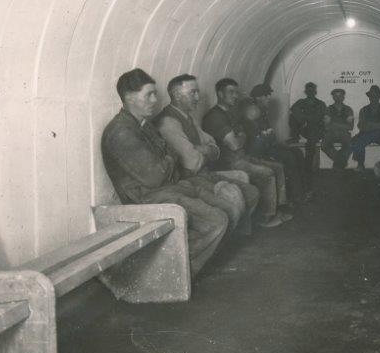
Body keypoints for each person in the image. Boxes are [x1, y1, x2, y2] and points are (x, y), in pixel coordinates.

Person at [100, 69, 228, 277]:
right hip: (145, 198)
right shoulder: (121, 132)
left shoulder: (143, 125)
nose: (155, 100)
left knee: (224, 207)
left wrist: (168, 159)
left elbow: (168, 159)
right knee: (217, 220)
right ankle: (170, 271)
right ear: (130, 98)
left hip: (166, 188)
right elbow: (156, 175)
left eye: (155, 94)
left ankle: (178, 266)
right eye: (148, 95)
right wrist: (170, 158)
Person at [154, 74, 260, 233]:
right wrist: (204, 150)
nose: (197, 97)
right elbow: (192, 162)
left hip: (204, 173)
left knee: (251, 192)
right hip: (190, 179)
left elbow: (214, 147)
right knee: (233, 201)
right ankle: (230, 242)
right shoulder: (168, 121)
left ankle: (235, 237)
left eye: (197, 92)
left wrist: (201, 149)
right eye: (193, 93)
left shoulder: (187, 117)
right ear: (176, 95)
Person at [202, 78, 291, 227]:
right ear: (220, 94)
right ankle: (266, 217)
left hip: (242, 156)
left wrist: (240, 136)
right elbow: (235, 144)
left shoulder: (231, 114)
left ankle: (277, 209)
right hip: (228, 162)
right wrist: (241, 136)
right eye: (231, 92)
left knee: (278, 167)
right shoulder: (215, 116)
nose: (235, 96)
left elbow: (241, 136)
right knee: (267, 173)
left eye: (236, 92)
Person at [243, 83, 309, 202]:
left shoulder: (261, 111)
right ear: (258, 98)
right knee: (289, 157)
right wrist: (267, 136)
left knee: (297, 152)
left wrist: (269, 136)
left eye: (269, 95)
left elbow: (268, 135)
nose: (269, 98)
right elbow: (256, 138)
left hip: (267, 146)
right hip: (258, 151)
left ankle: (301, 191)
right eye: (266, 96)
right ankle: (297, 196)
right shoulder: (253, 111)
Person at [350, 85, 380, 171]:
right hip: (366, 133)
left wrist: (369, 125)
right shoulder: (363, 110)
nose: (373, 98)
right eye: (371, 96)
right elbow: (361, 126)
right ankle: (360, 164)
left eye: (375, 96)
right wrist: (376, 125)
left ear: (379, 97)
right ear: (369, 97)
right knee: (356, 139)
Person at [289, 82, 326, 171]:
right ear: (305, 92)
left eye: (312, 90)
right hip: (305, 129)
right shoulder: (301, 102)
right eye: (308, 90)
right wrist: (302, 119)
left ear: (315, 92)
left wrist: (305, 118)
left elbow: (317, 119)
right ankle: (295, 136)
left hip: (317, 130)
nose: (310, 92)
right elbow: (293, 110)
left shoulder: (320, 104)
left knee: (312, 135)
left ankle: (308, 163)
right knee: (292, 116)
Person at [321, 88, 354, 169]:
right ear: (333, 97)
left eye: (340, 96)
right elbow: (326, 126)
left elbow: (350, 127)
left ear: (343, 97)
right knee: (324, 145)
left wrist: (334, 124)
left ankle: (338, 163)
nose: (338, 98)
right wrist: (342, 125)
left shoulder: (348, 109)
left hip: (344, 134)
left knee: (351, 145)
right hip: (331, 133)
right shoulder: (328, 109)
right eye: (336, 96)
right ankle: (341, 161)